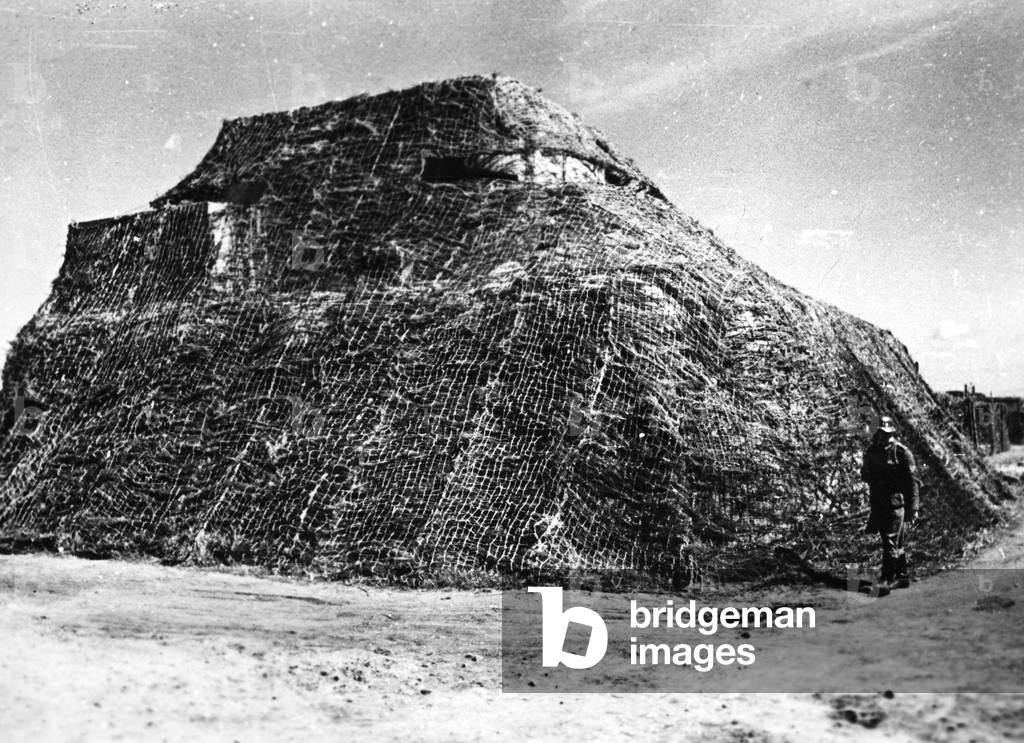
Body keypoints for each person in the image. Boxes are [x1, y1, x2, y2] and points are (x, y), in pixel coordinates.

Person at [860, 415, 919, 588]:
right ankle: (902, 576)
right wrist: (871, 474)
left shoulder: (901, 452)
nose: (882, 436)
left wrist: (914, 507)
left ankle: (887, 578)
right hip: (879, 502)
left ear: (891, 433)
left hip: (896, 503)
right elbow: (865, 473)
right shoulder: (872, 452)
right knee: (896, 541)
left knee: (890, 540)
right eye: (879, 433)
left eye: (885, 433)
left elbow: (913, 481)